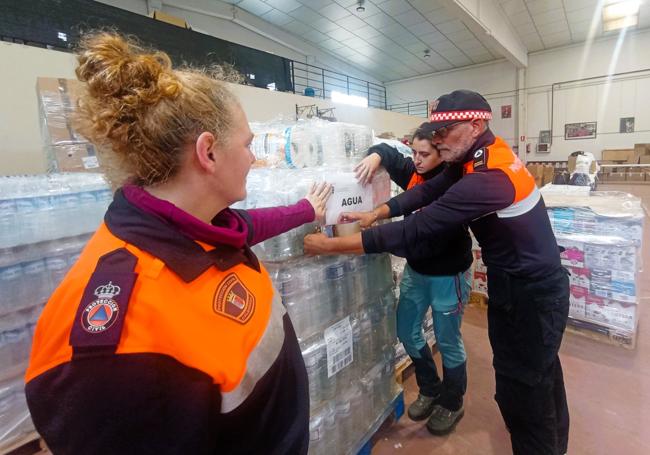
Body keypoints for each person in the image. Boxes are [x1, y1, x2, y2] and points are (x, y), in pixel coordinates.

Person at [25, 33, 331, 455]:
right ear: (208, 153)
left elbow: (249, 226)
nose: (254, 158)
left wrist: (305, 210)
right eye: (247, 145)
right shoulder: (119, 339)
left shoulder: (200, 229)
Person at [305, 89, 570, 455]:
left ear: (476, 125)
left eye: (444, 133)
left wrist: (330, 245)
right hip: (516, 283)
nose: (435, 140)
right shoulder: (472, 159)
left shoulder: (489, 176)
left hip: (531, 293)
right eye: (434, 132)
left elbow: (419, 225)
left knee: (523, 389)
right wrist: (375, 213)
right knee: (539, 377)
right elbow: (424, 194)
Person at [355, 128, 472, 434]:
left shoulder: (453, 184)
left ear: (441, 154)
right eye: (415, 154)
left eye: (425, 155)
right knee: (407, 331)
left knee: (448, 342)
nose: (417, 161)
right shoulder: (412, 171)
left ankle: (452, 401)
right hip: (417, 272)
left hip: (448, 275)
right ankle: (430, 388)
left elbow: (423, 236)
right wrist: (375, 156)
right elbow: (388, 151)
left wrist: (371, 240)